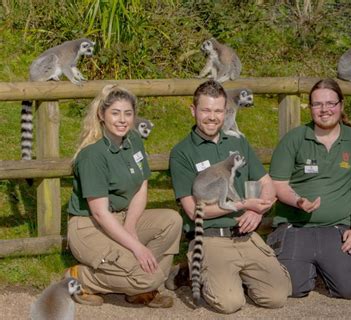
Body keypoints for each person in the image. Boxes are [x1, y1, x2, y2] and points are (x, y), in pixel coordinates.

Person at [168, 80, 292, 314]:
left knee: (277, 296)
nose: (212, 117)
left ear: (226, 112)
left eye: (218, 111)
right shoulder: (182, 153)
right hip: (211, 238)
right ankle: (200, 269)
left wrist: (257, 210)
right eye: (205, 110)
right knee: (229, 303)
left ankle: (233, 275)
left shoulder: (237, 142)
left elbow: (267, 184)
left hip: (246, 235)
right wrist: (242, 204)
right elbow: (194, 210)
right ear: (193, 111)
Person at [66, 84, 182, 308]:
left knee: (171, 220)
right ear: (102, 115)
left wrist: (130, 227)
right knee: (150, 276)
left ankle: (140, 287)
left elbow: (141, 186)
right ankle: (81, 277)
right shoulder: (92, 155)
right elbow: (99, 213)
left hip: (120, 217)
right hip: (89, 227)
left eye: (128, 113)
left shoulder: (134, 141)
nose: (122, 120)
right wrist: (136, 246)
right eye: (115, 113)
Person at [268, 78, 351, 299]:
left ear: (341, 105)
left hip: (337, 229)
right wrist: (298, 201)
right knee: (292, 289)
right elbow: (278, 184)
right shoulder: (294, 139)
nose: (324, 110)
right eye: (317, 104)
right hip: (296, 227)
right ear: (311, 107)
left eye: (330, 103)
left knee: (350, 290)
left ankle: (324, 264)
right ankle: (308, 265)